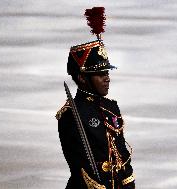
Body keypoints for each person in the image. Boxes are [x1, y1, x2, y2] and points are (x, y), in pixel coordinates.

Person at [56, 7, 135, 189]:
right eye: (100, 74)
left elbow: (121, 153)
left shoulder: (111, 107)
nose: (107, 78)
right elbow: (79, 164)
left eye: (107, 72)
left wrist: (128, 184)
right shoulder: (71, 114)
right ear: (82, 78)